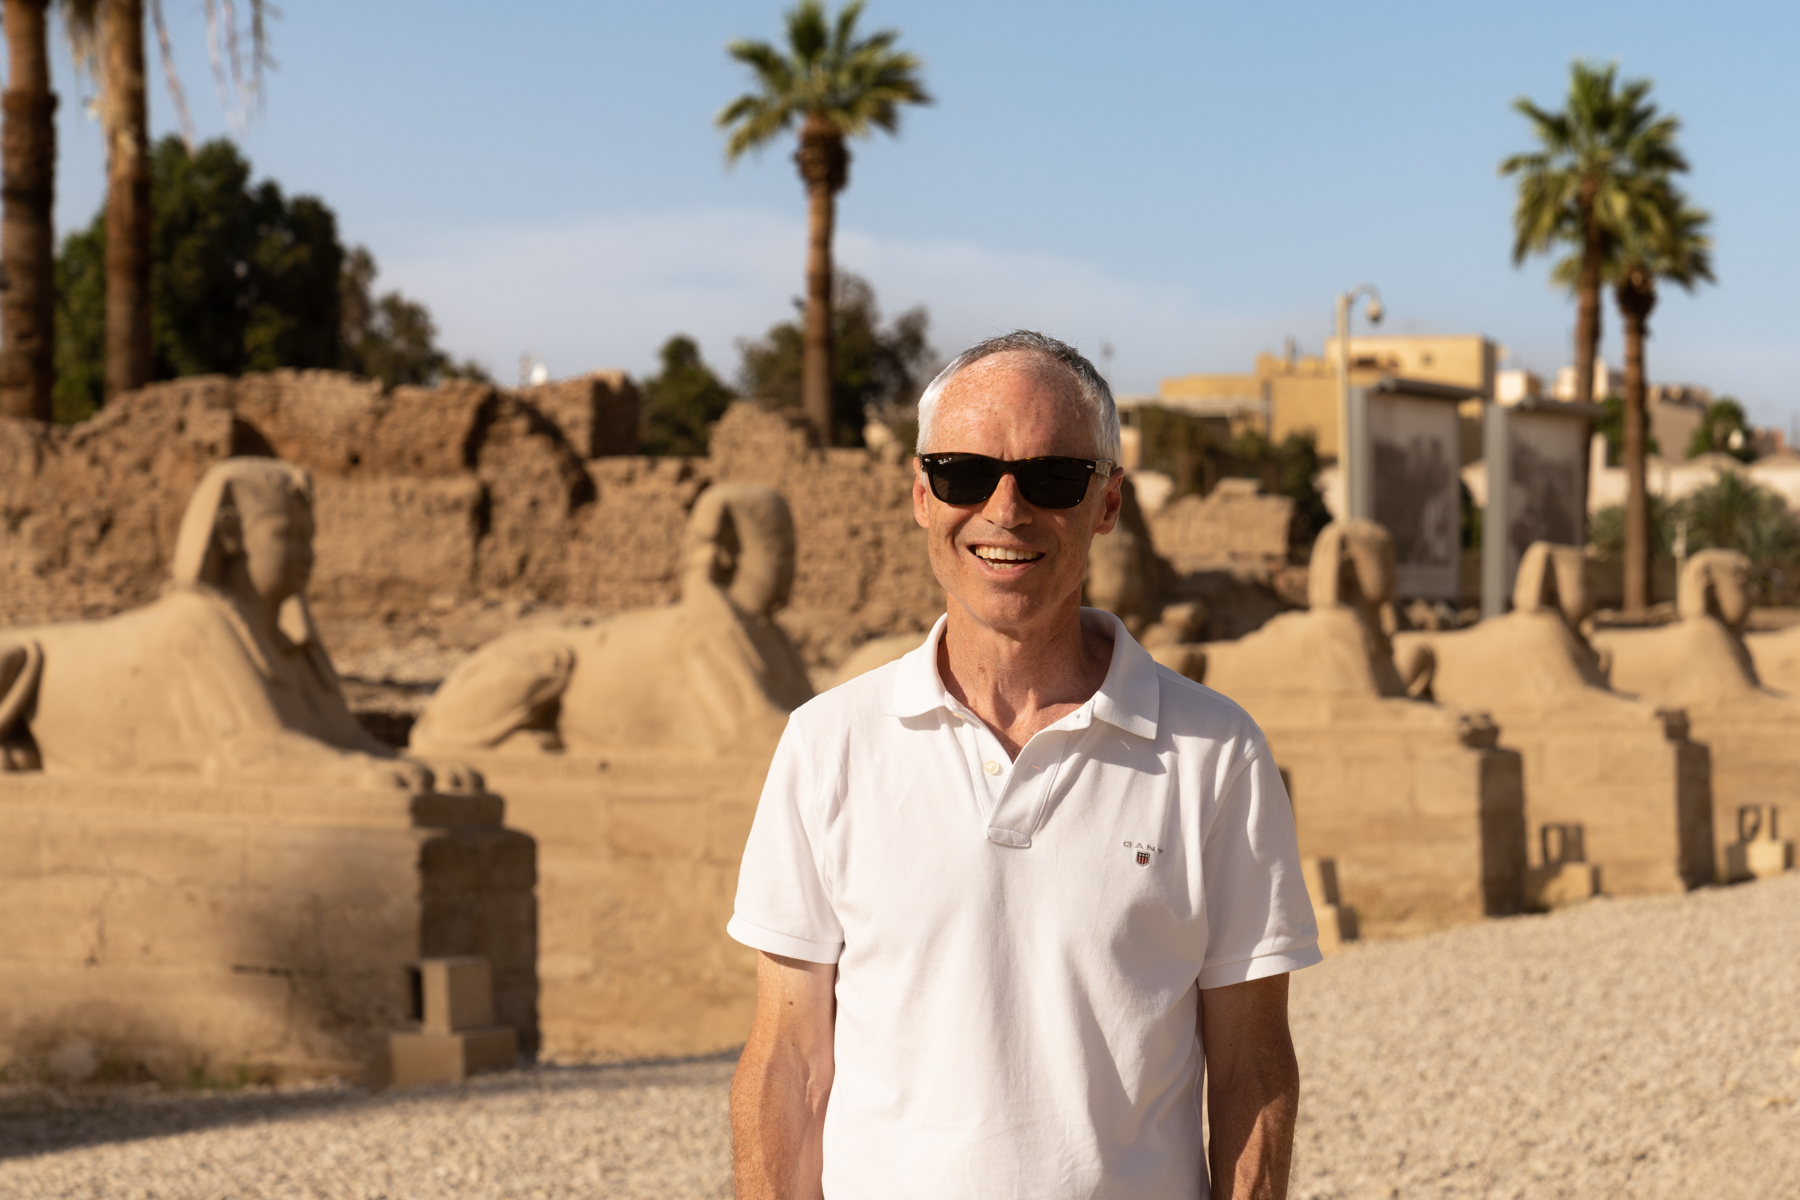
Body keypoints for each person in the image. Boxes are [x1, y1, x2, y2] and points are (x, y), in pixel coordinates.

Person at [727, 330, 1321, 1199]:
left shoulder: (1216, 753)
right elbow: (787, 1064)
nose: (1006, 509)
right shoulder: (828, 746)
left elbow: (1250, 1070)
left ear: (1107, 503)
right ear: (922, 495)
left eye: (1052, 479)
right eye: (966, 474)